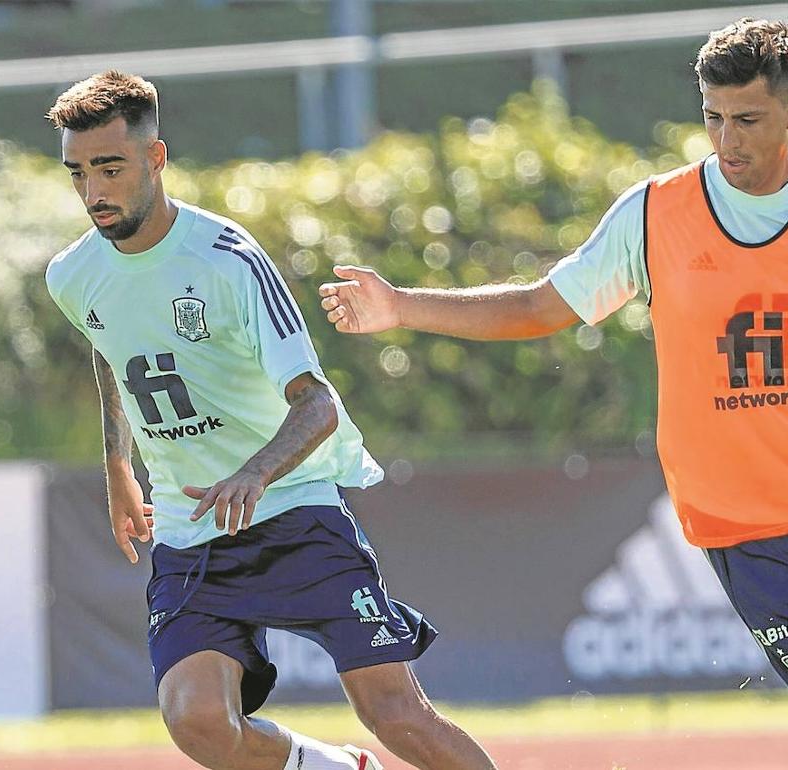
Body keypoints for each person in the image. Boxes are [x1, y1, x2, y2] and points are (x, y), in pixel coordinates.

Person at [319, 18, 788, 770]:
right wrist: (403, 307)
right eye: (713, 118)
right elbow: (541, 306)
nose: (728, 141)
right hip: (748, 538)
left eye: (748, 120)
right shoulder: (654, 214)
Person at [43, 70, 498, 770]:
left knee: (393, 712)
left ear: (156, 159)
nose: (94, 192)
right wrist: (116, 465)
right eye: (78, 173)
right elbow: (110, 347)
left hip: (293, 511)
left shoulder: (226, 261)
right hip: (192, 531)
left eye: (110, 167)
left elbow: (317, 404)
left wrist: (252, 474)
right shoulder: (72, 276)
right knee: (196, 720)